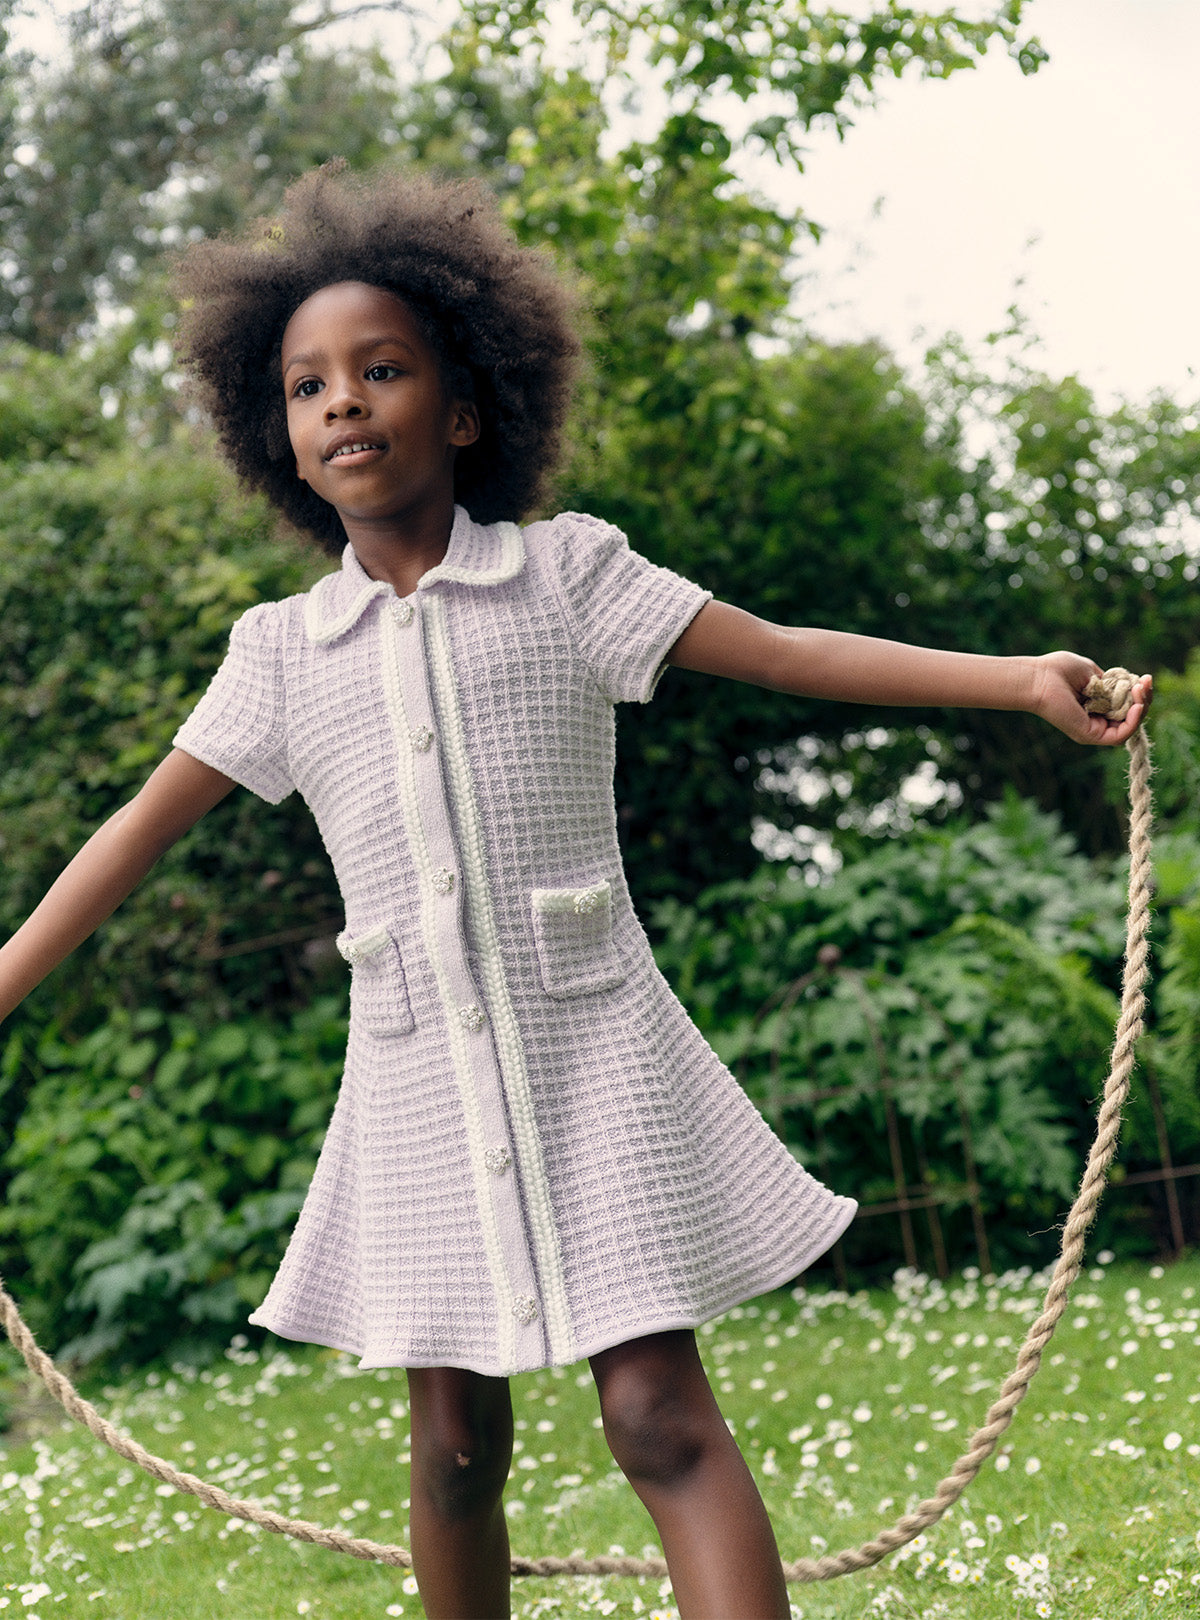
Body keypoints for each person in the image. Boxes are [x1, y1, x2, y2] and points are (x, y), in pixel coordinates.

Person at [0, 166, 1150, 1620]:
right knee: (455, 1444)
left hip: (595, 1052)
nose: (343, 401)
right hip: (416, 1078)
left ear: (467, 408)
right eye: (307, 386)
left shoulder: (570, 578)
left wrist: (1019, 684)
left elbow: (792, 652)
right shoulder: (279, 657)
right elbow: (130, 834)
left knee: (656, 1411)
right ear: (277, 437)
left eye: (383, 369)